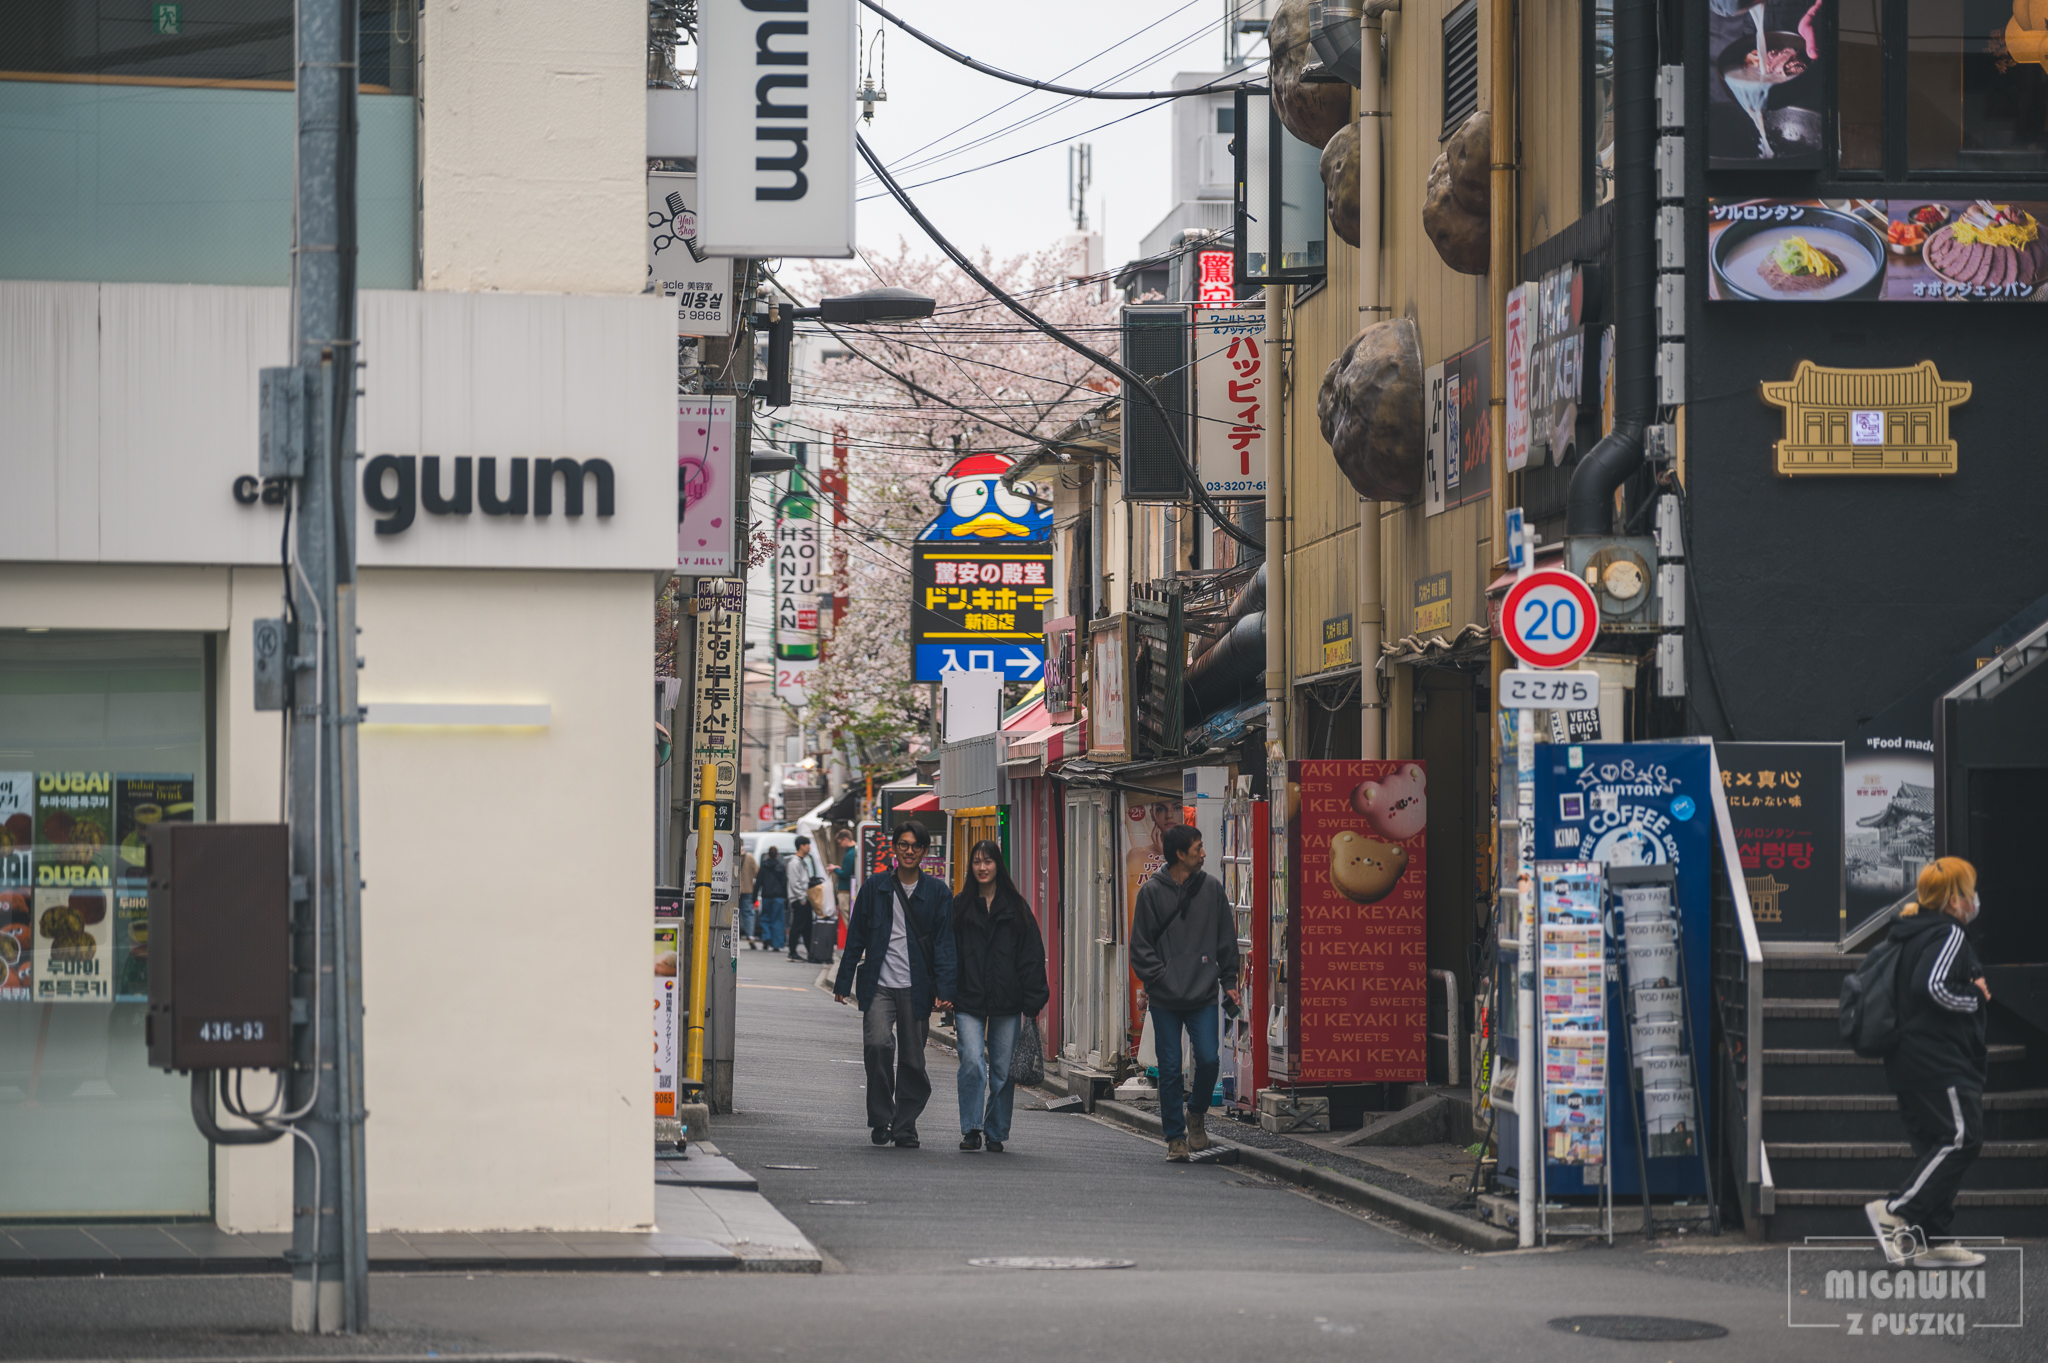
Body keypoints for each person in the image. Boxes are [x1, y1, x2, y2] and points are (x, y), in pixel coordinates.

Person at [1865, 857, 1992, 1268]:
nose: (1975, 899)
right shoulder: (1948, 932)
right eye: (1970, 892)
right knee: (1963, 1138)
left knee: (1937, 1147)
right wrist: (1975, 995)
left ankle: (1932, 1238)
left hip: (1908, 1060)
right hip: (1938, 1059)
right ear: (1955, 900)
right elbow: (1933, 986)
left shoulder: (1911, 931)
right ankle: (1896, 1211)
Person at [834, 820, 954, 1147]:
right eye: (903, 844)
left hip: (918, 987)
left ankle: (905, 1125)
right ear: (894, 847)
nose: (909, 851)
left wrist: (946, 990)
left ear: (925, 851)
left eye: (915, 846)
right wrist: (843, 982)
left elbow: (945, 945)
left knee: (913, 1059)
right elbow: (856, 937)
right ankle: (881, 1118)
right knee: (877, 1045)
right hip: (879, 984)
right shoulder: (874, 888)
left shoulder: (938, 893)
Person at [1129, 823, 1240, 1162]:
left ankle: (1197, 1111)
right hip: (1165, 997)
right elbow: (1140, 948)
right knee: (1170, 1067)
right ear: (1180, 854)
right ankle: (1175, 1138)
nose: (1204, 853)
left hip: (1203, 992)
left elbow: (1226, 939)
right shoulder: (1151, 893)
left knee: (1208, 1059)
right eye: (1197, 848)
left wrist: (1229, 982)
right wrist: (1161, 977)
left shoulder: (1212, 889)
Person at [941, 840, 1048, 1153]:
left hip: (1006, 1000)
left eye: (988, 861)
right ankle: (971, 1128)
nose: (982, 867)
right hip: (968, 998)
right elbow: (948, 951)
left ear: (998, 865)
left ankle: (996, 1131)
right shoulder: (960, 905)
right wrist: (945, 990)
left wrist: (1033, 1000)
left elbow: (1031, 956)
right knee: (972, 1062)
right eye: (976, 861)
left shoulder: (1016, 908)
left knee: (1002, 1071)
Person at [788, 834, 827, 962]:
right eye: (807, 845)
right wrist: (802, 898)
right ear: (801, 846)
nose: (809, 848)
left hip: (804, 898)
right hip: (799, 900)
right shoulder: (794, 862)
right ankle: (792, 952)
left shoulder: (801, 861)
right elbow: (794, 883)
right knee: (798, 926)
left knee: (807, 926)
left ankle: (810, 952)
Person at [754, 846, 789, 953]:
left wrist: (754, 897)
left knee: (765, 918)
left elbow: (758, 882)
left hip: (766, 897)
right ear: (777, 855)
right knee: (777, 920)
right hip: (778, 898)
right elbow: (784, 883)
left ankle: (766, 938)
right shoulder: (781, 867)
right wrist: (786, 898)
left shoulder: (764, 867)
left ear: (768, 854)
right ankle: (776, 944)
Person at [735, 844, 761, 948]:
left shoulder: (731, 855)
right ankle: (750, 936)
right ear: (743, 845)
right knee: (748, 913)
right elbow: (756, 872)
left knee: (734, 913)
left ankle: (735, 936)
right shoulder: (749, 857)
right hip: (748, 889)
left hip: (734, 890)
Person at [835, 827, 858, 924]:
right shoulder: (857, 850)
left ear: (845, 839)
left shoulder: (850, 854)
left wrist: (835, 869)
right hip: (852, 890)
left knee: (848, 919)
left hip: (846, 891)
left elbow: (845, 874)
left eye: (840, 843)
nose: (840, 846)